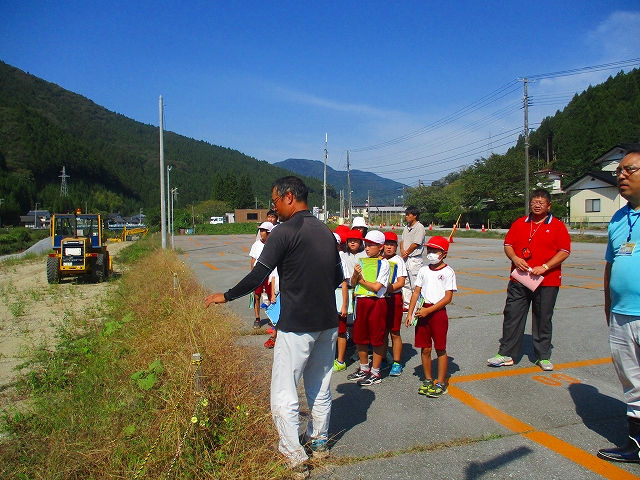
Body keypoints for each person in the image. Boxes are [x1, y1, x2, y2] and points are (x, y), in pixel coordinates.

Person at [205, 176, 343, 477]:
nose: (274, 207)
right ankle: (319, 442)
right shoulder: (326, 231)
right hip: (328, 323)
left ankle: (293, 456)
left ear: (289, 197)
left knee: (284, 390)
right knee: (319, 387)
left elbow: (258, 276)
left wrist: (225, 296)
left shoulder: (283, 232)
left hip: (296, 326)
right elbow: (336, 279)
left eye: (275, 201)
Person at [487, 189, 571, 371]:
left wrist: (546, 267)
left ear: (549, 205)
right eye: (534, 201)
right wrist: (515, 259)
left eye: (541, 202)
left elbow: (564, 251)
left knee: (543, 318)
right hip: (520, 279)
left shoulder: (557, 225)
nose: (537, 204)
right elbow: (508, 245)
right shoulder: (519, 223)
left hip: (547, 280)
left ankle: (543, 356)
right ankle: (506, 353)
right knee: (512, 315)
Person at [598, 150, 640, 463]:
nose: (621, 176)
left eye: (628, 170)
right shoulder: (618, 216)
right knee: (632, 382)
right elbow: (611, 264)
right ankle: (635, 444)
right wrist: (607, 302)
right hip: (622, 313)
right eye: (618, 172)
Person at [406, 236, 456, 397]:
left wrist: (430, 310)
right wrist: (410, 312)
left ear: (444, 254)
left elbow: (448, 298)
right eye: (430, 250)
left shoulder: (448, 272)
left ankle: (440, 381)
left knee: (440, 348)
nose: (431, 253)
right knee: (425, 347)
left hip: (437, 313)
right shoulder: (423, 270)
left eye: (435, 250)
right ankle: (428, 379)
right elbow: (416, 292)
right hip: (422, 311)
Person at [347, 230, 390, 386]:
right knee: (360, 336)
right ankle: (364, 367)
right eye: (366, 245)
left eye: (371, 245)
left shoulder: (383, 264)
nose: (367, 248)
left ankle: (375, 371)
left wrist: (361, 280)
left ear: (380, 247)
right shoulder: (363, 261)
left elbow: (377, 287)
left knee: (377, 338)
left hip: (376, 302)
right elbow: (353, 283)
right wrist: (355, 275)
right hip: (361, 301)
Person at [382, 231, 407, 376]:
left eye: (392, 245)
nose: (389, 247)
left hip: (394, 299)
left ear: (396, 246)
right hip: (381, 299)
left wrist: (385, 289)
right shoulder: (379, 259)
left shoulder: (398, 261)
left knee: (395, 332)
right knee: (383, 331)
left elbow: (401, 282)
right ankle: (384, 357)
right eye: (386, 244)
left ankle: (397, 362)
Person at [249, 221, 275, 328]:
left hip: (269, 273)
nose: (261, 233)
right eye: (260, 230)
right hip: (258, 274)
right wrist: (253, 275)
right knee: (257, 296)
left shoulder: (273, 245)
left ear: (269, 233)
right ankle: (257, 318)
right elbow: (253, 260)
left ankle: (271, 317)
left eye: (263, 231)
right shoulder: (256, 245)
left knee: (271, 295)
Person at [400, 206, 426, 310]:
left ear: (414, 216)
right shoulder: (406, 227)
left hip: (414, 258)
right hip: (406, 258)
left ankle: (417, 305)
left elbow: (416, 243)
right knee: (405, 282)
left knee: (415, 283)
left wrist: (407, 252)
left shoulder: (419, 227)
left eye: (408, 214)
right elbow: (402, 240)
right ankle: (407, 304)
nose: (406, 216)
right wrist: (402, 250)